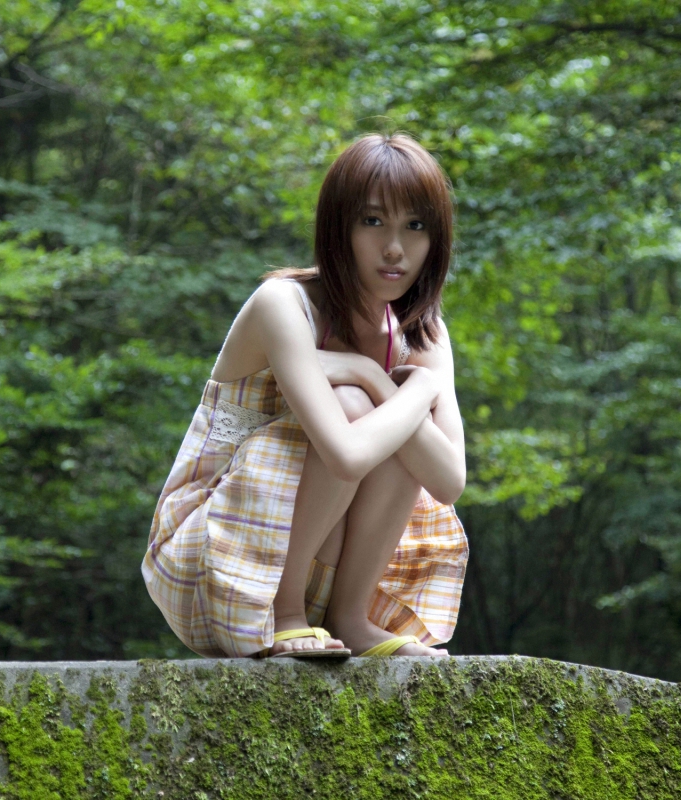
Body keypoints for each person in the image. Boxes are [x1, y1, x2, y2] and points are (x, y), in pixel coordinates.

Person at [142, 133, 468, 658]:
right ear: (339, 227)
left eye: (416, 226)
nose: (395, 248)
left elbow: (449, 481)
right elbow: (346, 454)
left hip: (330, 572)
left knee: (391, 426)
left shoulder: (422, 334)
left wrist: (387, 381)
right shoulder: (283, 304)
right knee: (356, 410)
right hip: (216, 565)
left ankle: (352, 619)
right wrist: (379, 379)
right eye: (372, 221)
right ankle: (285, 614)